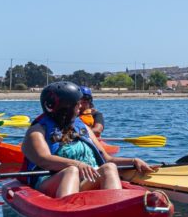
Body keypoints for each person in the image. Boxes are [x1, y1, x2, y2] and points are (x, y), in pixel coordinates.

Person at [22, 81, 155, 199]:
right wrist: (77, 165)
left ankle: (114, 204)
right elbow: (44, 160)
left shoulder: (82, 127)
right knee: (71, 171)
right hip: (52, 181)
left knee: (109, 167)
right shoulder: (37, 131)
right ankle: (69, 208)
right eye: (77, 104)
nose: (81, 107)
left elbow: (107, 159)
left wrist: (133, 161)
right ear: (65, 107)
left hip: (85, 181)